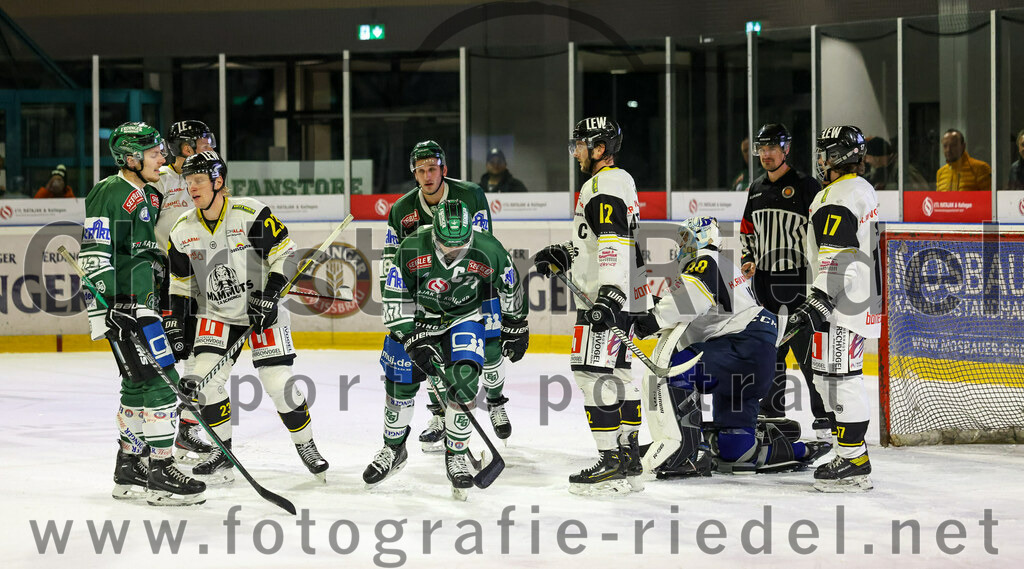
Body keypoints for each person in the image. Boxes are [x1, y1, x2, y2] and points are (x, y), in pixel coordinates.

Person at [166, 151, 329, 483]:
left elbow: (285, 254)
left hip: (263, 313)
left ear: (218, 182)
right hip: (217, 314)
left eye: (198, 180)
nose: (192, 187)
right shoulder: (182, 229)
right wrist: (177, 323)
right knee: (206, 383)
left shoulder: (250, 214)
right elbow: (180, 283)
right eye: (188, 181)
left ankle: (306, 444)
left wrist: (269, 296)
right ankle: (221, 451)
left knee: (279, 384)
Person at [633, 217, 830, 478]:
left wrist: (654, 318)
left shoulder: (704, 259)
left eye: (687, 239)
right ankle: (799, 450)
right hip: (751, 359)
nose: (681, 246)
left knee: (674, 371)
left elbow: (693, 297)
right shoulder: (723, 266)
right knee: (735, 452)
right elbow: (695, 311)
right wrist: (652, 313)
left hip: (739, 349)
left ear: (703, 238)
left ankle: (686, 450)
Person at [364, 199, 528, 500]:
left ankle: (456, 453)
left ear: (470, 235)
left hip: (464, 317)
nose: (453, 251)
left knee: (464, 379)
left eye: (460, 244)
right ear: (434, 234)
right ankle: (393, 449)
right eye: (445, 244)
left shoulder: (489, 248)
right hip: (418, 319)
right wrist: (411, 336)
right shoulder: (412, 247)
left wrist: (517, 324)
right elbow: (393, 296)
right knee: (399, 387)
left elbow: (510, 284)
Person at [79, 121, 206, 505]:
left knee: (136, 385)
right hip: (123, 305)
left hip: (137, 303)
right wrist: (112, 302)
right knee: (162, 381)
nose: (161, 157)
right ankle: (161, 471)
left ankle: (130, 465)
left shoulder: (145, 194)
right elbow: (93, 252)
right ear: (130, 158)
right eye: (153, 154)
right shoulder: (109, 191)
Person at [534, 116, 654, 495]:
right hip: (626, 291)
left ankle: (611, 461)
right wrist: (564, 254)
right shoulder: (618, 181)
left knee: (590, 372)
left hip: (608, 294)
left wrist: (610, 295)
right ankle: (629, 456)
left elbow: (613, 244)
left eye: (581, 145)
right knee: (618, 375)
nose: (577, 152)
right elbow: (594, 242)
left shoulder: (602, 184)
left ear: (600, 149)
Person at [379, 140, 513, 451]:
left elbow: (483, 244)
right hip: (428, 295)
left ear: (444, 170)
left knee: (491, 349)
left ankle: (495, 401)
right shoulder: (401, 210)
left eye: (433, 169)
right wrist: (397, 304)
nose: (427, 176)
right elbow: (391, 263)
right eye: (421, 170)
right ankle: (440, 416)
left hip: (472, 288)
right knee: (428, 354)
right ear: (414, 173)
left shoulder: (470, 194)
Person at [785, 124, 881, 492]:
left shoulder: (836, 196)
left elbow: (837, 254)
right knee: (830, 379)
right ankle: (846, 449)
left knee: (841, 381)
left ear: (839, 156)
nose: (821, 160)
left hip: (842, 304)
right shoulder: (860, 190)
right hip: (852, 298)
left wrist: (820, 299)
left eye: (825, 153)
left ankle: (855, 459)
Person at [739, 123, 830, 439]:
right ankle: (772, 412)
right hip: (765, 282)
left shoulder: (807, 186)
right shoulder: (756, 188)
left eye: (771, 148)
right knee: (770, 350)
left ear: (786, 149)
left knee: (807, 350)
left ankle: (824, 416)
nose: (765, 154)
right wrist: (748, 258)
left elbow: (822, 232)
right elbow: (747, 229)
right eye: (761, 149)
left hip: (798, 280)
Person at [153, 120, 217, 463]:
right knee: (164, 358)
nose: (210, 145)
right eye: (203, 141)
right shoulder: (159, 179)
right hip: (167, 283)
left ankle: (188, 428)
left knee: (202, 356)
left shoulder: (212, 174)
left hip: (204, 280)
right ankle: (153, 431)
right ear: (187, 147)